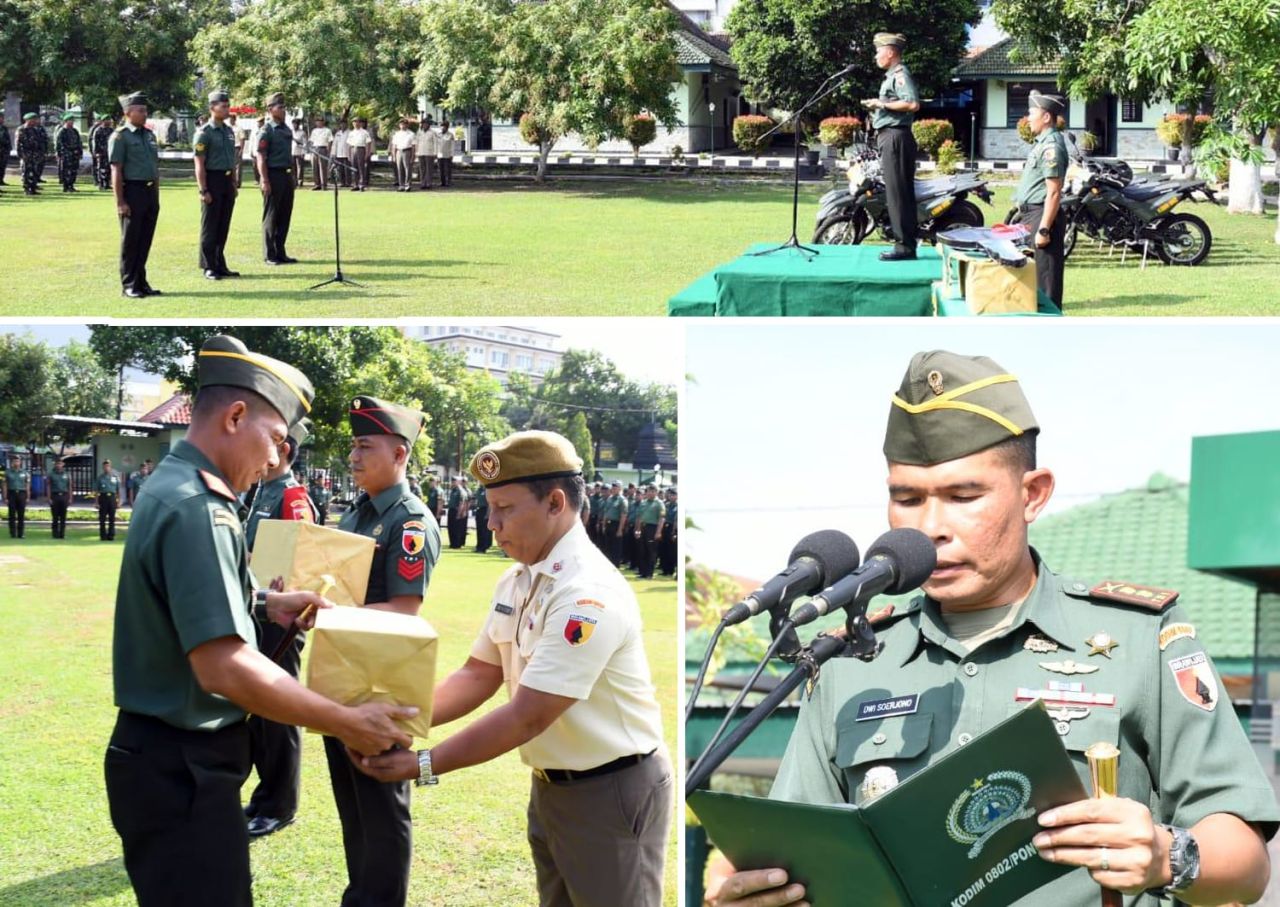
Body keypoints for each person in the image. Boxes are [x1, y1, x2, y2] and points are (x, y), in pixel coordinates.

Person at [707, 349, 1280, 907]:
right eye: (906, 498)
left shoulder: (1138, 639)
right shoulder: (852, 657)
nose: (931, 527)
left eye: (964, 496)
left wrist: (1167, 855)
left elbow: (1246, 865)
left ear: (1033, 494)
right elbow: (797, 850)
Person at [104, 334, 417, 907]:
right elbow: (226, 666)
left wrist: (264, 604)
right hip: (182, 766)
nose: (276, 459)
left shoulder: (177, 486)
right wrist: (346, 720)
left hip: (168, 760)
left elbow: (189, 602)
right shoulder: (202, 507)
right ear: (236, 416)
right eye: (274, 439)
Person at [351, 430, 673, 907]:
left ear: (555, 503)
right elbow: (479, 674)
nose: (492, 523)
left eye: (505, 509)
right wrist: (398, 718)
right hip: (552, 784)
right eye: (490, 508)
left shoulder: (587, 593)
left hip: (612, 790)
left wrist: (421, 763)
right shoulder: (518, 579)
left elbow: (528, 714)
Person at [326, 395, 440, 907]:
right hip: (342, 677)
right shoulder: (357, 514)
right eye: (352, 446)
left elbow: (403, 612)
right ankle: (362, 895)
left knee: (380, 808)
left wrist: (326, 613)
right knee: (353, 806)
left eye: (364, 446)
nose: (353, 455)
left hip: (380, 686)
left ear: (398, 453)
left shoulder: (408, 523)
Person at [242, 418, 319, 839]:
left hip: (282, 617)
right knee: (259, 710)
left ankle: (280, 804)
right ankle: (264, 795)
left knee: (279, 711)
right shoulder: (264, 491)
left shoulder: (292, 496)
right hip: (261, 611)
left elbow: (302, 556)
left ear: (285, 450)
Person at [861, 32, 920, 262]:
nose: (876, 55)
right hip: (891, 137)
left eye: (879, 50)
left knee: (898, 193)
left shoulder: (900, 74)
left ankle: (904, 246)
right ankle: (905, 243)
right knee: (897, 192)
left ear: (891, 52)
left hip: (896, 138)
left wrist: (881, 104)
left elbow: (912, 103)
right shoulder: (890, 76)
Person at [1013, 90, 1070, 311]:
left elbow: (1054, 191)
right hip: (1032, 215)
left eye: (1031, 113)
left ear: (1046, 117)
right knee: (1034, 282)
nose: (1027, 118)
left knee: (1047, 286)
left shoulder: (1051, 146)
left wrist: (1044, 229)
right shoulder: (1042, 143)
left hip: (1042, 217)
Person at [109, 92, 162, 298]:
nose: (144, 114)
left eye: (145, 110)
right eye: (140, 110)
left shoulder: (149, 135)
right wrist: (120, 201)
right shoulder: (120, 136)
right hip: (132, 191)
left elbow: (154, 167)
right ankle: (129, 284)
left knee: (145, 239)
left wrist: (156, 196)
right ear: (127, 112)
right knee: (131, 241)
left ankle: (141, 281)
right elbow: (117, 170)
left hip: (149, 192)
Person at [193, 89, 241, 281]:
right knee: (210, 226)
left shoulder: (228, 131)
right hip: (211, 179)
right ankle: (208, 266)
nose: (227, 109)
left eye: (228, 105)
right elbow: (199, 163)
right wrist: (203, 189)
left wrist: (233, 182)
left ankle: (220, 263)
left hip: (227, 180)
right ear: (213, 108)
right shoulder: (204, 133)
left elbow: (231, 160)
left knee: (223, 224)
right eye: (224, 106)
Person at [256, 93, 298, 266]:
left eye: (284, 107)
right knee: (271, 215)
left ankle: (280, 251)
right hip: (272, 174)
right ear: (270, 109)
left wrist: (292, 175)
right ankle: (269, 254)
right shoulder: (267, 130)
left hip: (286, 174)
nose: (283, 110)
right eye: (279, 107)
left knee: (284, 215)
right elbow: (261, 156)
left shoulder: (286, 129)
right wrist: (264, 180)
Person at [632, 484, 665, 579]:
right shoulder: (643, 503)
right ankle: (643, 572)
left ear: (656, 492)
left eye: (653, 491)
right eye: (649, 491)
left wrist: (658, 532)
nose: (651, 493)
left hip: (652, 528)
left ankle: (649, 573)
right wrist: (637, 529)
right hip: (642, 527)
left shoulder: (659, 503)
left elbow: (661, 519)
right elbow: (638, 517)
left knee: (651, 551)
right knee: (642, 550)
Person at [17, 112, 47, 196]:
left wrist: (41, 152)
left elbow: (39, 142)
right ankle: (27, 189)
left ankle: (33, 188)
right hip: (26, 154)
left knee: (34, 171)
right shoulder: (21, 129)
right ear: (28, 120)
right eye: (33, 120)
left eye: (35, 120)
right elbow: (19, 143)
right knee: (26, 171)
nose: (35, 121)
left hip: (35, 154)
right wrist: (21, 155)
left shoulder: (35, 130)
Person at [54, 112, 82, 192]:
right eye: (70, 120)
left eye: (72, 120)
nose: (72, 122)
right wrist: (59, 154)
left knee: (74, 170)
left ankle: (71, 185)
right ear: (65, 121)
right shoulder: (62, 131)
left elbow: (79, 142)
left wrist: (80, 152)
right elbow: (58, 144)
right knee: (66, 170)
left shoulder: (75, 131)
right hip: (66, 154)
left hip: (75, 154)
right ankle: (66, 186)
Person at [5, 455, 30, 539]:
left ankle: (21, 533)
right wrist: (5, 497)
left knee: (21, 515)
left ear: (20, 462)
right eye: (15, 461)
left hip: (22, 494)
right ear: (12, 463)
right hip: (11, 494)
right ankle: (13, 533)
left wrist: (28, 496)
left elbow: (27, 485)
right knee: (12, 515)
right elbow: (5, 485)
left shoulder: (25, 472)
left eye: (18, 461)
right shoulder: (8, 472)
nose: (16, 463)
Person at [96, 459, 121, 541]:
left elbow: (118, 490)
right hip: (103, 498)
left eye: (108, 466)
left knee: (112, 518)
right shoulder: (100, 477)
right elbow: (97, 491)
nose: (106, 467)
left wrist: (118, 501)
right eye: (105, 466)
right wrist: (96, 502)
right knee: (102, 518)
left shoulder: (115, 477)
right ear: (103, 467)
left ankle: (111, 535)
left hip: (112, 498)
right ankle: (103, 536)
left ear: (110, 467)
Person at [48, 457, 72, 539]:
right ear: (55, 464)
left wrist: (70, 498)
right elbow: (48, 486)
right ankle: (55, 534)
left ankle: (62, 534)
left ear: (63, 464)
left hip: (64, 496)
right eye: (57, 463)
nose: (58, 465)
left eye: (60, 463)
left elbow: (70, 486)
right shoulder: (51, 474)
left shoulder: (67, 474)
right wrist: (49, 498)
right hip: (55, 496)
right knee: (55, 516)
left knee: (63, 516)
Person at [347, 117, 372, 191]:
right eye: (354, 122)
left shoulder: (364, 132)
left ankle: (362, 184)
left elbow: (368, 143)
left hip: (361, 149)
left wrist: (367, 153)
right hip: (353, 149)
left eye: (357, 122)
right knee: (354, 168)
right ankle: (356, 184)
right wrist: (348, 154)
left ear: (360, 123)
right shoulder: (351, 133)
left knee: (361, 168)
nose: (355, 123)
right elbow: (348, 145)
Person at [390, 119, 416, 191]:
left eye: (404, 124)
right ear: (399, 125)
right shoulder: (397, 134)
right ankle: (401, 185)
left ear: (407, 125)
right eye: (401, 124)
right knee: (399, 169)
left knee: (407, 169)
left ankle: (407, 185)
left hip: (407, 150)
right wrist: (394, 155)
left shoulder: (411, 134)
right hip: (399, 151)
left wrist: (413, 155)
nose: (403, 126)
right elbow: (394, 146)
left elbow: (413, 146)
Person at [308, 116, 333, 190]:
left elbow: (330, 141)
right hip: (315, 149)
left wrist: (328, 150)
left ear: (323, 122)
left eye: (320, 121)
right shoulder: (314, 130)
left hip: (323, 148)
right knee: (315, 167)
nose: (318, 122)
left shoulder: (327, 130)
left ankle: (323, 184)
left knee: (323, 167)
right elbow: (311, 141)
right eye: (317, 121)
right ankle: (317, 184)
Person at [89, 116, 114, 189]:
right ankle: (101, 183)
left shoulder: (111, 130)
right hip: (101, 152)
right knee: (101, 168)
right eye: (107, 120)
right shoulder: (98, 130)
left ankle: (107, 183)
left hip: (109, 152)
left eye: (109, 120)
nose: (109, 122)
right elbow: (95, 142)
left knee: (108, 168)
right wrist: (96, 152)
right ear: (103, 121)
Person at [659, 486, 678, 577]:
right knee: (664, 550)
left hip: (672, 528)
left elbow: (675, 520)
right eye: (671, 495)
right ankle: (665, 570)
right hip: (664, 528)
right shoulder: (665, 505)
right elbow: (662, 516)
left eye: (674, 495)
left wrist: (673, 532)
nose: (672, 497)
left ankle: (671, 569)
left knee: (672, 551)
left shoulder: (678, 506)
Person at [447, 474, 469, 548]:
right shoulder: (453, 490)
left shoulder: (460, 490)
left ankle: (457, 544)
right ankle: (452, 543)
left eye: (454, 481)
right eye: (452, 481)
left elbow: (461, 503)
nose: (453, 482)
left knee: (457, 528)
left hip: (456, 511)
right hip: (451, 510)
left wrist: (459, 513)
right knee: (451, 527)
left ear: (458, 482)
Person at [415, 114, 437, 189]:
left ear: (428, 125)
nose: (424, 125)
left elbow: (436, 143)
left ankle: (428, 183)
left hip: (429, 153)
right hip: (421, 152)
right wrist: (416, 152)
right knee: (422, 169)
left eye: (426, 124)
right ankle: (422, 183)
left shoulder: (432, 133)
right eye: (423, 124)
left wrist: (435, 153)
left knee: (429, 169)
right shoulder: (419, 133)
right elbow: (417, 142)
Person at [473, 482, 491, 552]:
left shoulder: (488, 490)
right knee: (479, 529)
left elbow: (490, 503)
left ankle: (483, 547)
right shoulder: (479, 490)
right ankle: (479, 546)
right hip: (479, 510)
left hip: (485, 510)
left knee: (484, 530)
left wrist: (488, 514)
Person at [229, 112, 245, 188]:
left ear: (234, 119)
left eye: (231, 118)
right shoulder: (227, 128)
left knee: (238, 166)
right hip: (229, 148)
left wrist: (241, 149)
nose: (230, 120)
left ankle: (238, 183)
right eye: (229, 118)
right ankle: (231, 182)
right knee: (230, 165)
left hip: (236, 147)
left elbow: (242, 139)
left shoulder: (239, 128)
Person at [437, 120, 454, 188]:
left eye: (444, 126)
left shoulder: (450, 135)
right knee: (441, 169)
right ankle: (442, 182)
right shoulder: (438, 135)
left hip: (447, 154)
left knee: (447, 169)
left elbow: (452, 145)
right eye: (441, 126)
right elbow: (436, 145)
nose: (442, 128)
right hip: (439, 154)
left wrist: (452, 154)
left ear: (447, 127)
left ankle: (448, 182)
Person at [290, 117, 307, 186]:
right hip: (292, 152)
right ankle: (294, 181)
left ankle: (300, 180)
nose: (294, 125)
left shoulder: (302, 132)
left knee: (300, 167)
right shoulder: (290, 132)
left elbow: (305, 143)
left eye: (295, 124)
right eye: (293, 124)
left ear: (298, 125)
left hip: (299, 152)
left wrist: (303, 153)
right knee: (292, 168)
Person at [0, 112, 11, 187]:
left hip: (4, 151)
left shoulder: (4, 128)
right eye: (1, 117)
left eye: (2, 118)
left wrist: (9, 149)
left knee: (2, 167)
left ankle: (1, 180)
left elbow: (7, 139)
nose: (2, 119)